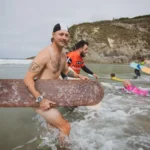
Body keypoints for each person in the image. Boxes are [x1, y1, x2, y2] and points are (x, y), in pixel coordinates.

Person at [24, 23, 88, 145]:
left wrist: (78, 75)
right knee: (66, 127)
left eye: (66, 35)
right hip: (40, 99)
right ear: (53, 35)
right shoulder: (45, 54)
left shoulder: (63, 55)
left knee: (53, 128)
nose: (64, 37)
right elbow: (27, 79)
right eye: (61, 34)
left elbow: (65, 71)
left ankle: (51, 145)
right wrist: (40, 99)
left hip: (50, 98)